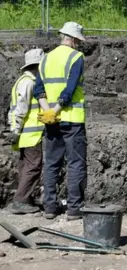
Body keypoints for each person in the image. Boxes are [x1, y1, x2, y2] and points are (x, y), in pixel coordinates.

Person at [33, 21, 87, 221]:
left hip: (51, 121)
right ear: (72, 39)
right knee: (75, 164)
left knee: (52, 164)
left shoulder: (46, 58)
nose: (78, 45)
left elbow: (38, 89)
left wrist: (48, 112)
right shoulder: (76, 57)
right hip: (71, 119)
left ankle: (50, 207)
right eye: (78, 41)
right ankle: (74, 209)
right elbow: (70, 89)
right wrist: (57, 109)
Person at [7, 48, 45, 214]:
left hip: (26, 134)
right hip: (31, 134)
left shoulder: (22, 81)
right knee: (33, 167)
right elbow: (21, 108)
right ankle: (21, 201)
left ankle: (25, 198)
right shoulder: (30, 82)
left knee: (26, 167)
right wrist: (16, 128)